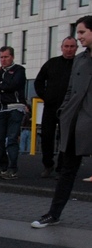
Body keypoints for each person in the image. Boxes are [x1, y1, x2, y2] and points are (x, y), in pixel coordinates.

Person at [31, 16, 92, 229]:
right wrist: (64, 110)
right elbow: (70, 89)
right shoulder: (81, 59)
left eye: (83, 33)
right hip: (75, 123)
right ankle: (53, 214)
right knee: (67, 171)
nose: (79, 38)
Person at [34, 36, 78, 178]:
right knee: (47, 136)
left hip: (70, 108)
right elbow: (38, 81)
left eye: (72, 46)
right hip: (50, 107)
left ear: (76, 48)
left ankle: (61, 167)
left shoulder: (79, 64)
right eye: (66, 46)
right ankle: (48, 165)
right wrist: (45, 96)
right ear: (61, 47)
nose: (69, 49)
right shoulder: (52, 63)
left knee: (65, 139)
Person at [0, 47, 27, 180]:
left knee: (11, 139)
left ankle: (13, 168)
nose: (3, 60)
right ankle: (3, 167)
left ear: (12, 57)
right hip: (0, 108)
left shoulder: (19, 70)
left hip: (15, 108)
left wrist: (0, 86)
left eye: (6, 57)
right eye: (1, 57)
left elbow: (13, 84)